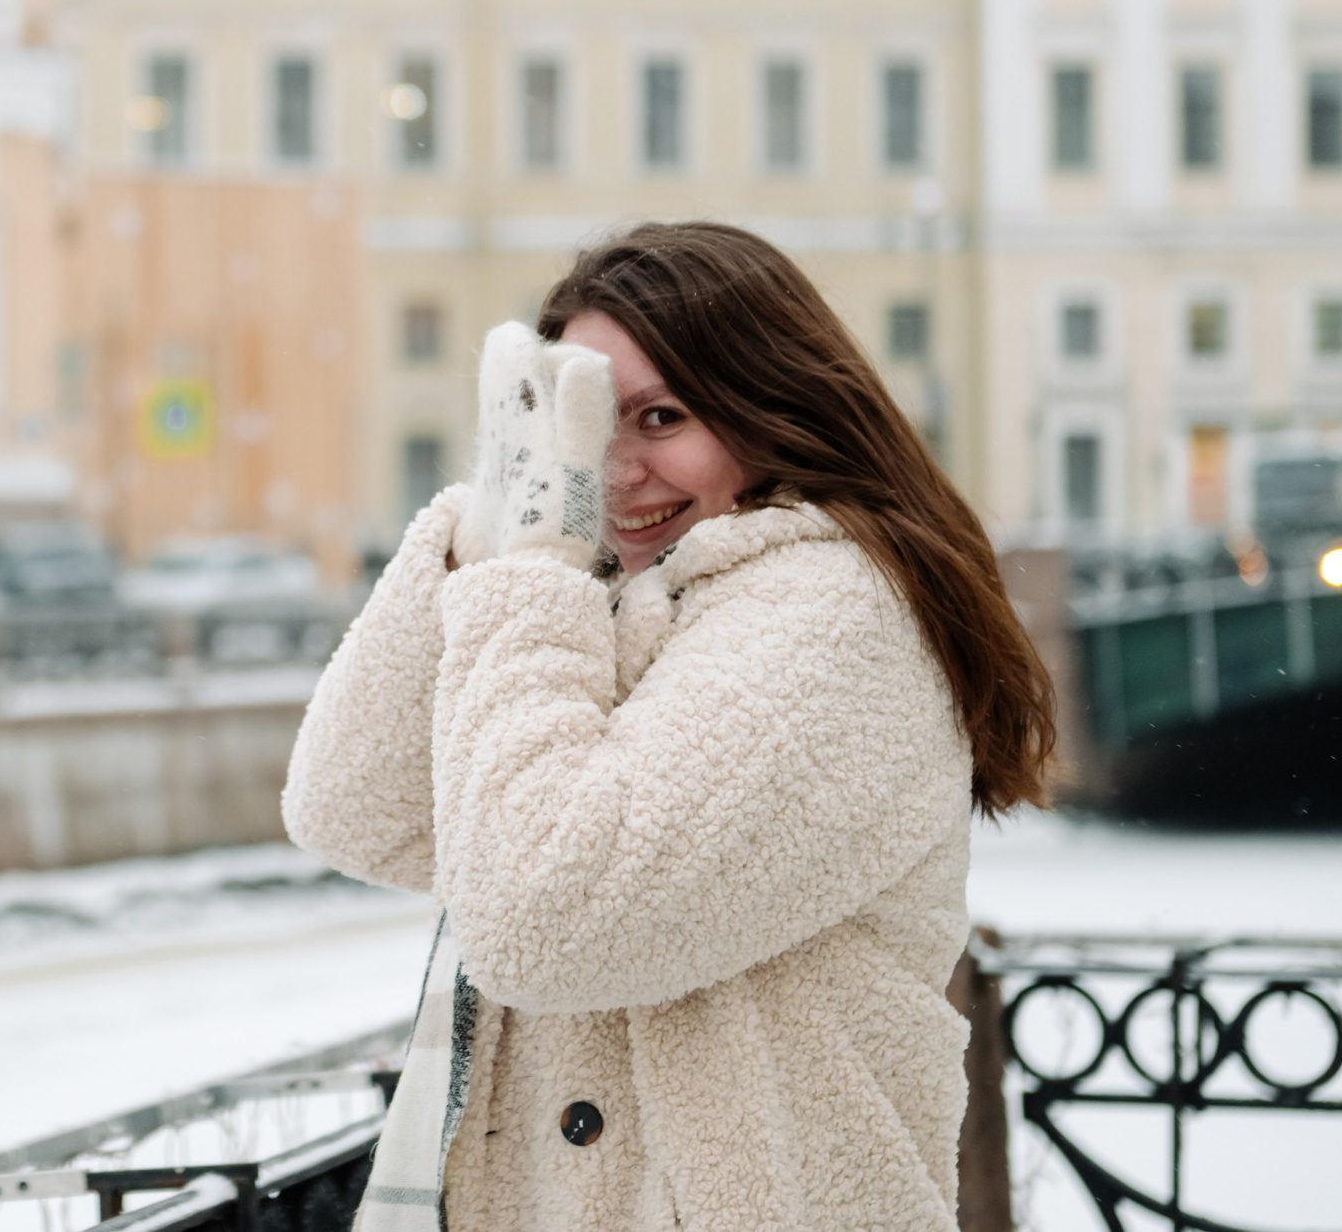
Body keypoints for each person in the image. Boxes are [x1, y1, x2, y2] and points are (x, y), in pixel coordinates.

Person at [284, 222, 1055, 1232]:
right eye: (583, 426)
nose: (611, 471)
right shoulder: (614, 606)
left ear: (773, 405)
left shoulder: (837, 613)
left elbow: (542, 920)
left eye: (660, 415)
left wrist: (526, 579)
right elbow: (350, 806)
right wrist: (488, 530)